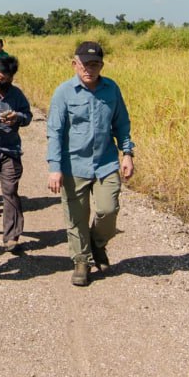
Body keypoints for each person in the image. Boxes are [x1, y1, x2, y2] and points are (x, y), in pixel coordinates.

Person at [46, 41, 134, 287]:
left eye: (94, 64)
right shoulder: (63, 92)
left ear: (101, 65)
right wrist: (55, 168)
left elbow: (122, 124)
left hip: (106, 162)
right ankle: (81, 261)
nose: (89, 69)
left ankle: (97, 244)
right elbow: (54, 131)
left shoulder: (111, 89)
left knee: (108, 209)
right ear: (75, 64)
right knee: (76, 217)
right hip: (73, 165)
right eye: (84, 64)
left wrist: (127, 153)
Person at [0, 56, 31, 249]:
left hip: (10, 149)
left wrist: (17, 117)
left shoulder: (17, 94)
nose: (3, 83)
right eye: (0, 79)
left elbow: (28, 116)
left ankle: (12, 235)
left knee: (10, 191)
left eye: (7, 79)